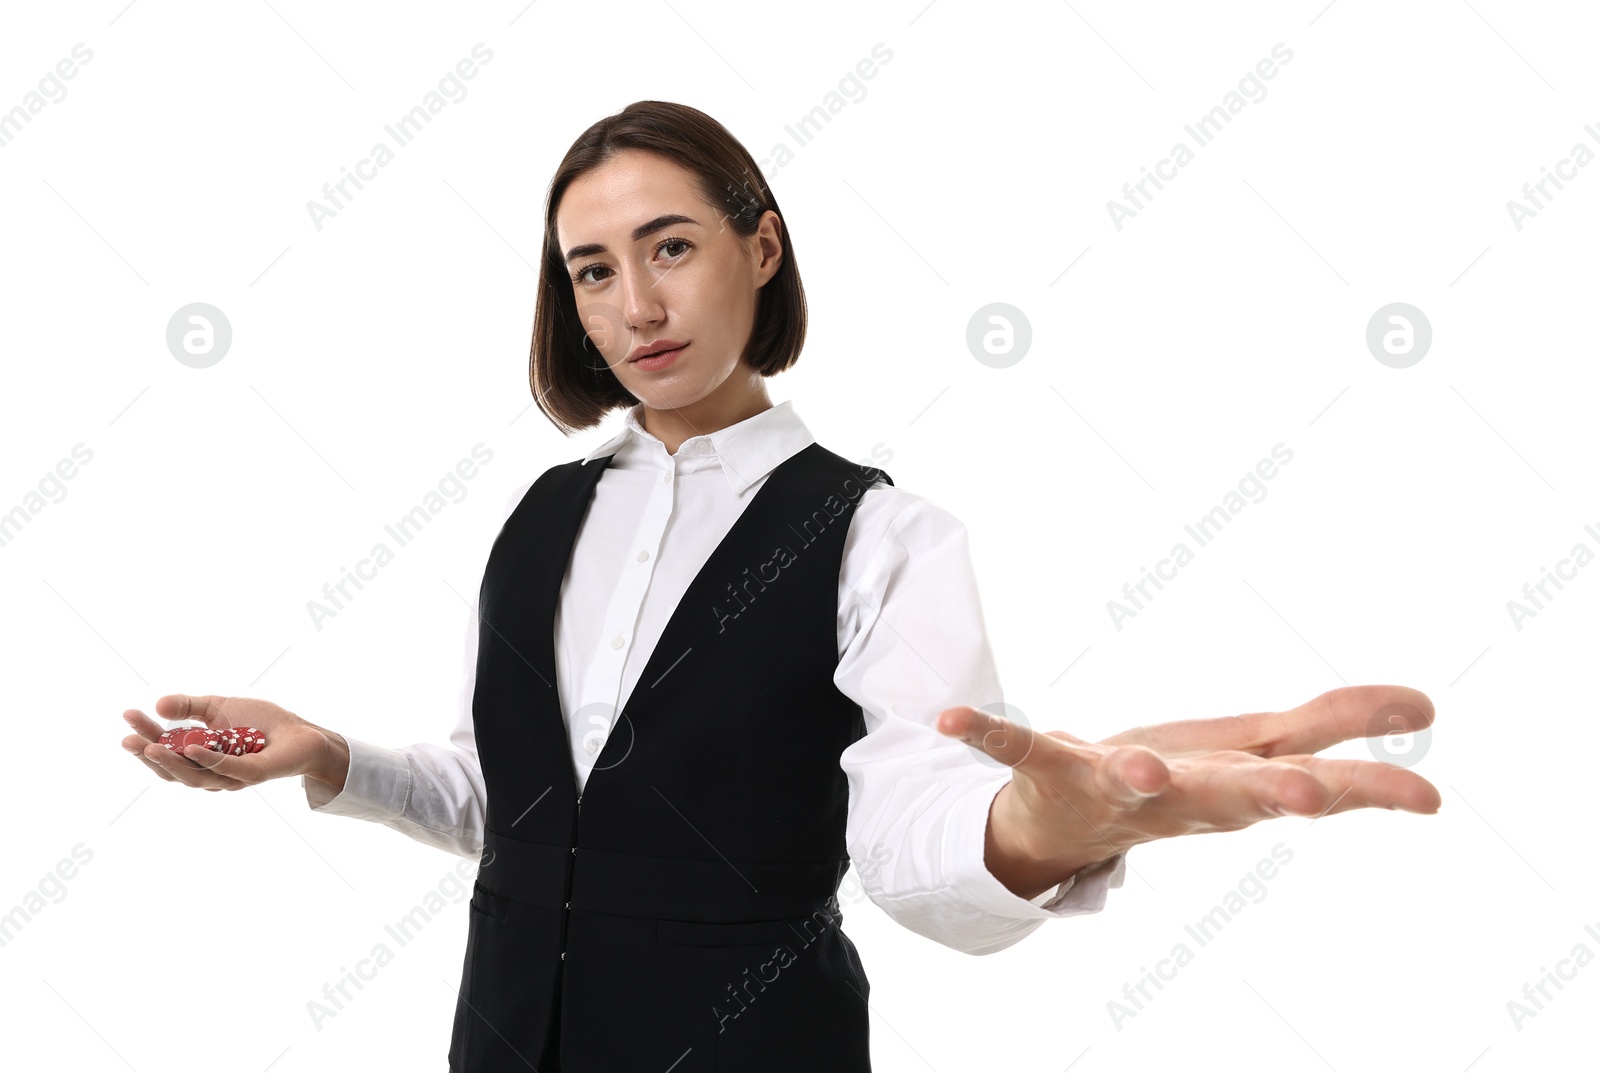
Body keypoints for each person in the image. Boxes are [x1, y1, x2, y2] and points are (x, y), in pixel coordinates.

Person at [118, 100, 1440, 1072]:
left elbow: (914, 824)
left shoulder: (883, 535)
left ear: (761, 247)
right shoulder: (542, 515)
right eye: (593, 270)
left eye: (671, 246)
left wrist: (1037, 827)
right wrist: (328, 754)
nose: (636, 302)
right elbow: (516, 805)